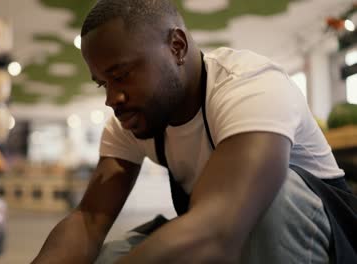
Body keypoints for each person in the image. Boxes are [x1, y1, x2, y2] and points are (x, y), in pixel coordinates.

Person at [32, 0, 352, 263]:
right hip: (229, 235)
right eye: (104, 83)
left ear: (177, 46)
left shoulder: (248, 85)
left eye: (123, 74)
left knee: (271, 196)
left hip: (326, 246)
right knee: (111, 255)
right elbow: (88, 220)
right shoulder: (135, 117)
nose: (112, 99)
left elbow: (218, 231)